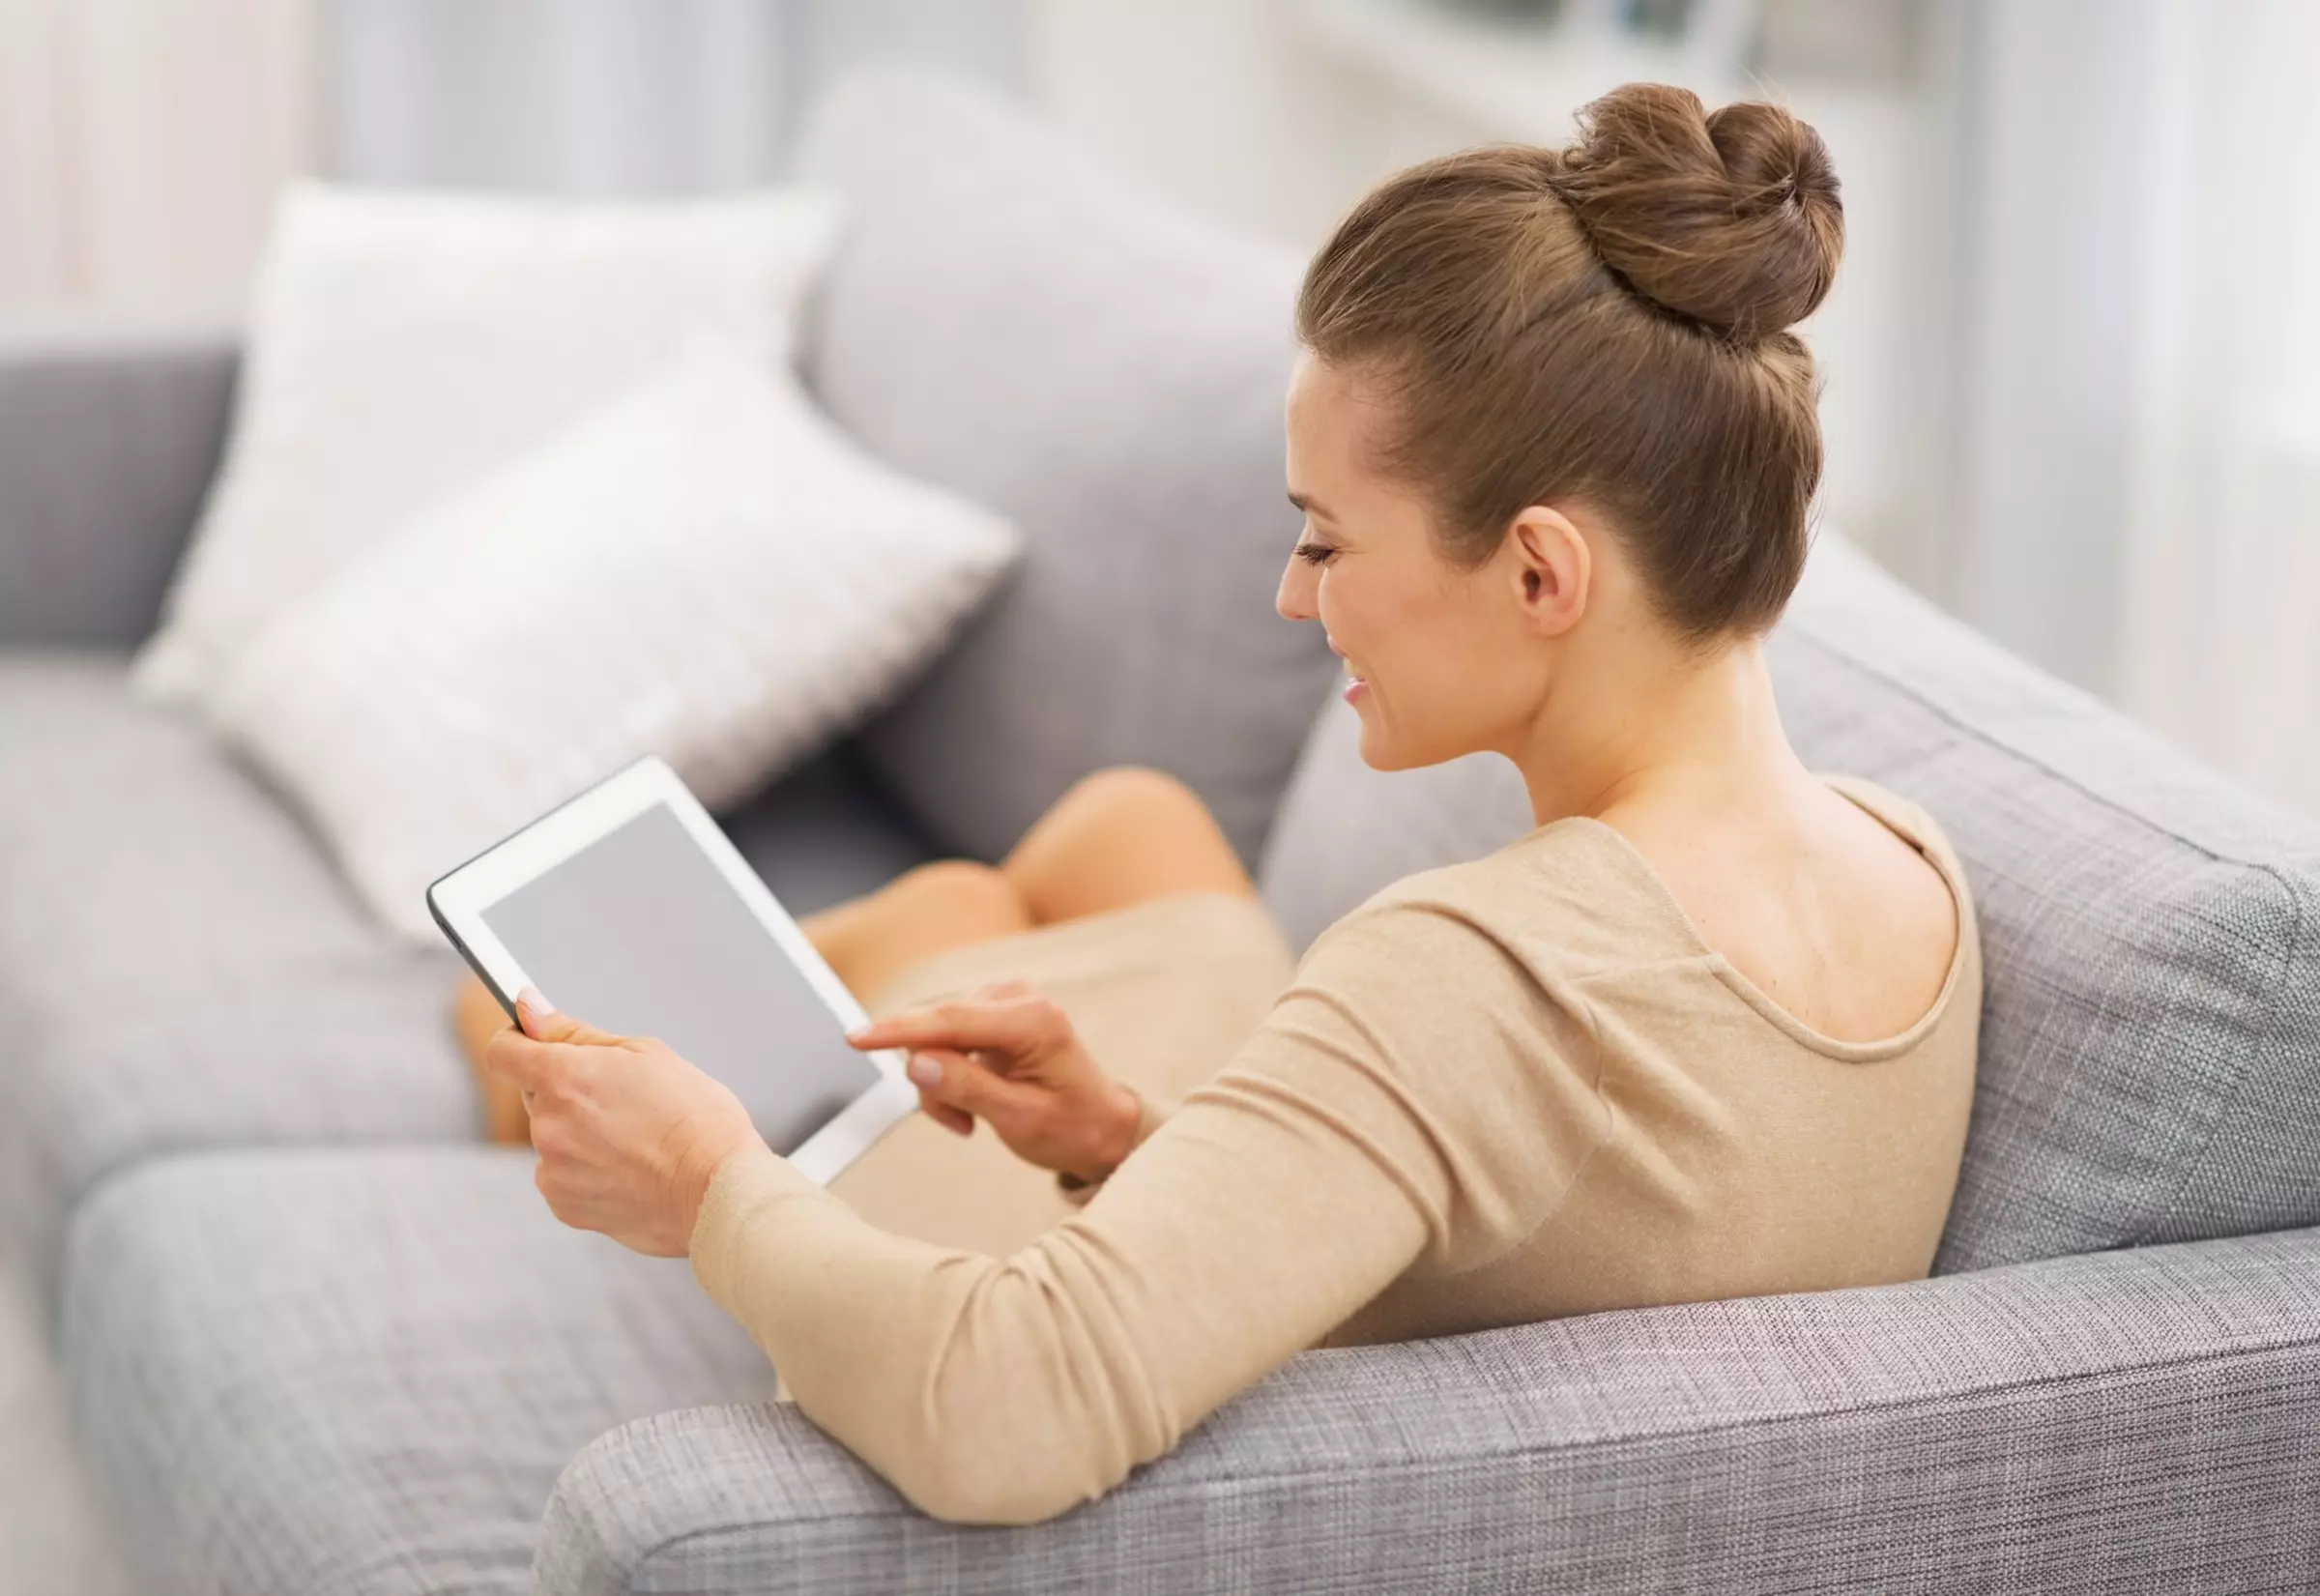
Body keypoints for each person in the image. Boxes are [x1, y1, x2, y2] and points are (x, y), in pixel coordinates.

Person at [464, 82, 1981, 1527]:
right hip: (1282, 1298)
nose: (1289, 593)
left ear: (1540, 572)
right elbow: (1549, 1233)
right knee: (1112, 839)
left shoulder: (1478, 971)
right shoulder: (1914, 877)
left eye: (1326, 542)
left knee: (927, 926)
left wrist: (705, 1183)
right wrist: (1127, 1138)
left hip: (1031, 1365)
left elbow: (1008, 1402)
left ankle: (526, 1033)